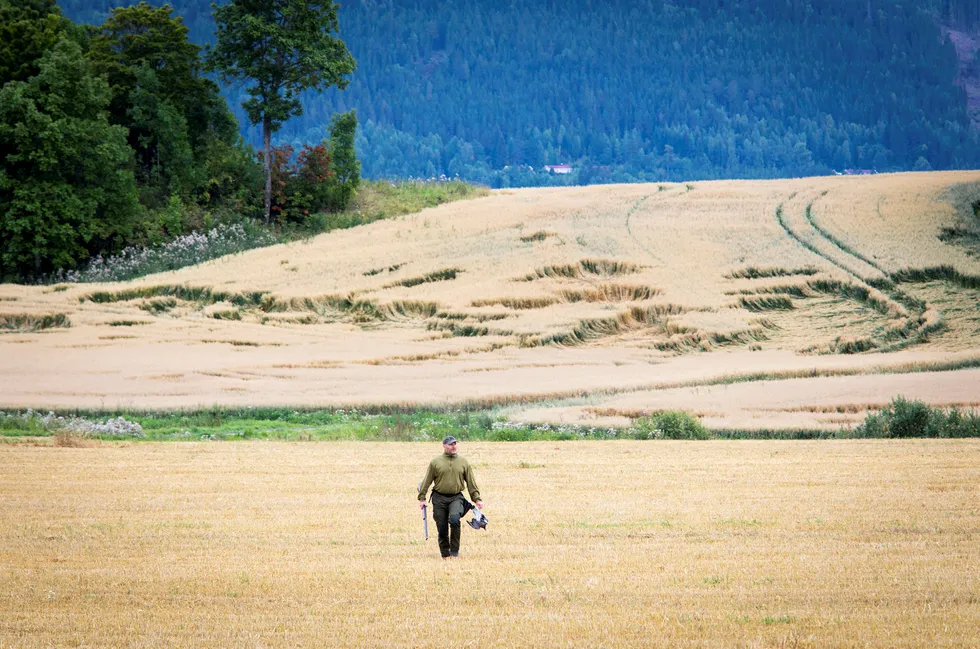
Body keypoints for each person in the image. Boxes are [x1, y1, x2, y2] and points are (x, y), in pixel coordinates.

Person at [418, 435, 483, 559]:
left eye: (454, 444)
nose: (453, 446)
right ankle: (445, 554)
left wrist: (477, 498)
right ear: (444, 446)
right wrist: (422, 498)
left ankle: (454, 552)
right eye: (450, 444)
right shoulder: (435, 462)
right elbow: (427, 481)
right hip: (439, 498)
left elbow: (471, 482)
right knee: (441, 527)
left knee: (454, 520)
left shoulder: (463, 462)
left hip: (456, 498)